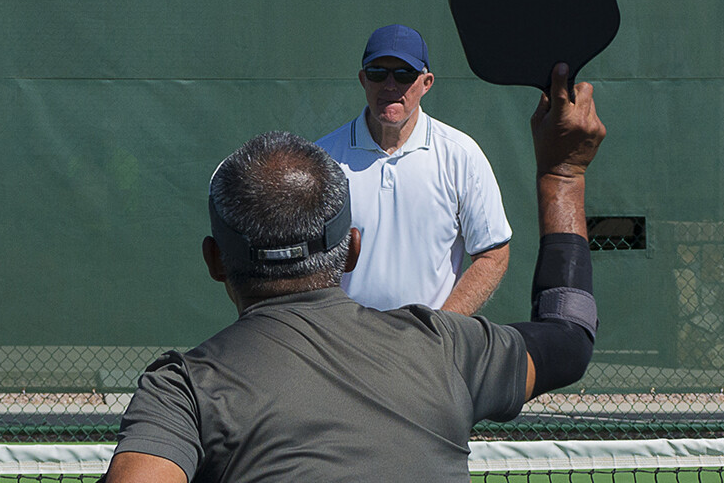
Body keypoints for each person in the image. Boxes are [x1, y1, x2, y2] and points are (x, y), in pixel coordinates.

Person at [104, 66, 604, 482]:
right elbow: (570, 336)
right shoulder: (448, 350)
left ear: (214, 261)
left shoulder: (181, 392)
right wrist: (564, 177)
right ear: (351, 250)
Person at [315, 24, 511, 315]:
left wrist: (442, 329)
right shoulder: (323, 159)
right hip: (345, 348)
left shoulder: (461, 155)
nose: (390, 85)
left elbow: (493, 254)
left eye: (404, 74)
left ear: (426, 82)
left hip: (430, 347)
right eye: (378, 73)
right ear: (363, 79)